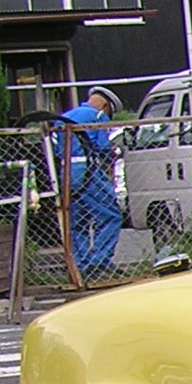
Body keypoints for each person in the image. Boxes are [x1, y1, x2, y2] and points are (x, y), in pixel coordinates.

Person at [59, 84, 123, 278]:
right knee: (111, 214)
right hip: (87, 169)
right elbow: (102, 148)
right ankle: (99, 261)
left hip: (65, 170)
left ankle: (81, 264)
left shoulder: (65, 116)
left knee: (78, 219)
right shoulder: (96, 116)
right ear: (104, 106)